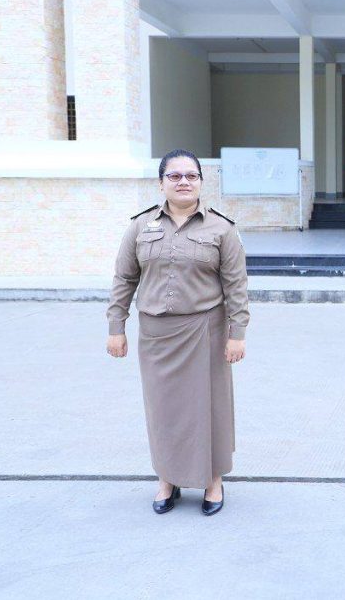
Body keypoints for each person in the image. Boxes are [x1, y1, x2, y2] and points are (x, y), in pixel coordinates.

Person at [106, 149, 250, 516]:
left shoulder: (221, 228)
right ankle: (167, 479)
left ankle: (213, 480)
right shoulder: (140, 226)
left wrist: (237, 333)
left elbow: (236, 286)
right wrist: (116, 327)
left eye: (191, 175)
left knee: (210, 409)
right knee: (163, 410)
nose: (183, 182)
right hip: (156, 335)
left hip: (206, 331)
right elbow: (124, 278)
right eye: (174, 176)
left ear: (201, 181)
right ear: (161, 183)